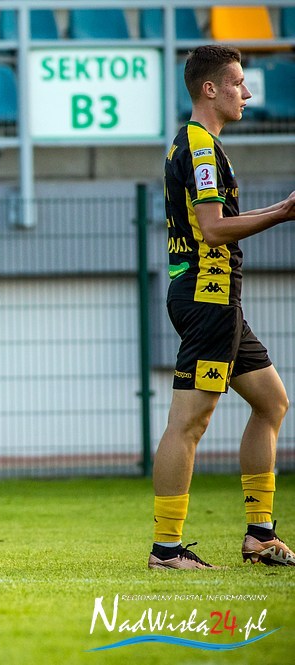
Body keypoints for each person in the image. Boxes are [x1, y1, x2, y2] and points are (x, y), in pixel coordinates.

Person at [149, 44, 295, 570]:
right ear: (209, 89)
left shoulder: (197, 143)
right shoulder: (201, 148)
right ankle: (167, 549)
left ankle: (260, 534)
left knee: (272, 402)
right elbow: (212, 230)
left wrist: (282, 208)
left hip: (217, 298)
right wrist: (282, 213)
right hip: (207, 297)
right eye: (237, 83)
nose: (247, 93)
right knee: (189, 422)